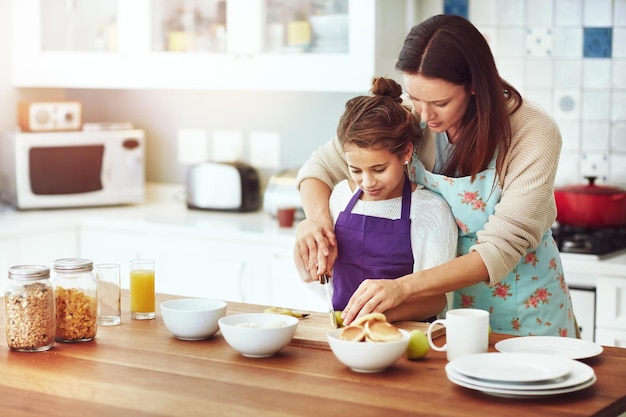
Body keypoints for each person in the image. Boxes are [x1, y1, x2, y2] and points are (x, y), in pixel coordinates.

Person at [294, 14, 579, 337]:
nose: (424, 115)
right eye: (415, 97)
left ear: (474, 86)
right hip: (438, 320)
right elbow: (318, 168)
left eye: (440, 102)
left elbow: (500, 248)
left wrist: (403, 288)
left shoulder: (533, 132)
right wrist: (315, 220)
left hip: (520, 314)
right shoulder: (407, 114)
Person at [295, 76, 457, 323]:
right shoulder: (339, 197)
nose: (368, 182)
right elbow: (316, 282)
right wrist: (305, 245)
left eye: (379, 169)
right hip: (343, 334)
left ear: (406, 153)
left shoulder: (431, 211)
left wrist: (375, 316)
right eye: (356, 170)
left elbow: (436, 300)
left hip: (403, 338)